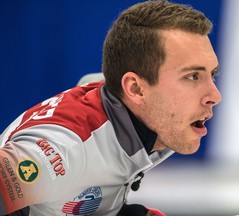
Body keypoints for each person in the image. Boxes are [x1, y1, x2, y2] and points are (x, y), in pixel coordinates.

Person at [0, 0, 222, 215]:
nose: (215, 96)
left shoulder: (140, 109)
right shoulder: (62, 153)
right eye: (192, 76)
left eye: (212, 75)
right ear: (135, 89)